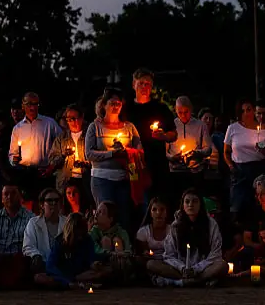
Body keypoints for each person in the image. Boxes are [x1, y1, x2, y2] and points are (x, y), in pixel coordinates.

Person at [86, 88, 142, 231]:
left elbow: (140, 151)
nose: (116, 106)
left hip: (124, 179)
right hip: (102, 179)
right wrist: (112, 154)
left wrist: (126, 151)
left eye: (118, 103)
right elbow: (89, 154)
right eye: (112, 103)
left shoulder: (130, 127)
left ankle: (123, 249)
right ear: (104, 105)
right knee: (104, 217)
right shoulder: (95, 127)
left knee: (124, 217)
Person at [147, 188, 226, 287]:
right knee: (151, 264)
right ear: (183, 205)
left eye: (194, 201)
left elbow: (215, 254)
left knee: (222, 266)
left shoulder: (211, 224)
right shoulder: (176, 226)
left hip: (203, 269)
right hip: (180, 270)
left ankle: (187, 282)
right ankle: (192, 281)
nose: (190, 205)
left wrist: (196, 269)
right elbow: (169, 255)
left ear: (200, 204)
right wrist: (182, 268)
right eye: (187, 201)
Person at [126, 68, 177, 209]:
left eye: (148, 84)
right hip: (132, 164)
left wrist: (164, 136)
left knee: (157, 202)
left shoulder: (160, 108)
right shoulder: (126, 109)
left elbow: (174, 134)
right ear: (133, 85)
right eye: (141, 83)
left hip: (156, 164)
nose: (144, 87)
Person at [224, 99, 265, 222]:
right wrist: (231, 167)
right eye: (243, 111)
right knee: (239, 206)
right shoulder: (233, 128)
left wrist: (263, 150)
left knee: (259, 206)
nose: (246, 113)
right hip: (240, 170)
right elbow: (226, 151)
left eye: (249, 109)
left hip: (260, 169)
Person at [8, 92, 63, 205]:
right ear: (23, 106)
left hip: (44, 172)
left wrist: (53, 165)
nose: (33, 107)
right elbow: (12, 153)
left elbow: (62, 142)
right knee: (27, 205)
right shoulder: (17, 129)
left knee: (45, 205)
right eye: (29, 104)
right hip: (25, 173)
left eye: (36, 104)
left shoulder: (49, 123)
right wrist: (13, 160)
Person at [0, 184, 36, 289]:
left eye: (13, 193)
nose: (9, 197)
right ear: (2, 199)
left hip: (20, 259)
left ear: (20, 197)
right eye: (6, 194)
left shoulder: (31, 218)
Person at [165, 96, 212, 203]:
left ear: (191, 109)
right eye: (179, 112)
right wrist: (172, 157)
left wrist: (196, 153)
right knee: (177, 202)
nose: (183, 115)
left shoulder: (201, 125)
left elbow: (208, 148)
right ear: (175, 110)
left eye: (186, 112)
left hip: (195, 172)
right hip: (175, 172)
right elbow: (166, 151)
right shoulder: (171, 125)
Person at [45, 212, 108, 288]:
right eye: (78, 235)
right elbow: (50, 266)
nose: (80, 238)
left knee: (104, 272)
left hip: (83, 274)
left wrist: (94, 264)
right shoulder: (60, 242)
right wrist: (68, 279)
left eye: (82, 234)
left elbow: (90, 258)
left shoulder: (87, 239)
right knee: (41, 278)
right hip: (64, 276)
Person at [22, 187, 67, 279]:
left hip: (63, 264)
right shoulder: (34, 223)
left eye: (56, 200)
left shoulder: (67, 222)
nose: (53, 203)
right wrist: (36, 256)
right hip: (42, 265)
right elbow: (28, 246)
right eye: (49, 200)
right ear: (42, 205)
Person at [47, 103, 89, 195]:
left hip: (87, 180)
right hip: (66, 181)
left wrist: (85, 163)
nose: (71, 122)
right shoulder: (61, 139)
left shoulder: (89, 136)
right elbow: (51, 161)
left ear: (82, 117)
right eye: (68, 119)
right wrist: (63, 155)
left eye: (74, 119)